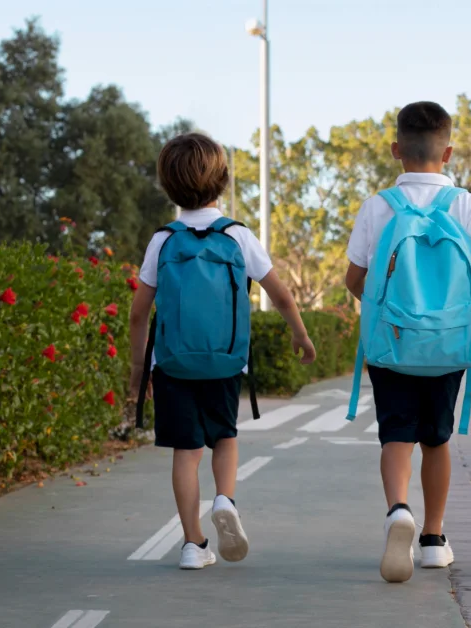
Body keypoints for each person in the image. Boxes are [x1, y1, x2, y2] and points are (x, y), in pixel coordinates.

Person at [129, 132, 316, 570]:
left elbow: (139, 314)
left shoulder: (163, 240)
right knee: (225, 438)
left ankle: (193, 545)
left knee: (185, 453)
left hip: (172, 365)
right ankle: (225, 500)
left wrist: (139, 371)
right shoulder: (237, 236)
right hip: (225, 361)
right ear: (224, 181)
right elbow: (282, 295)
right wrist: (300, 335)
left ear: (167, 185)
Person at [344, 101, 471, 583]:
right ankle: (433, 539)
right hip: (450, 343)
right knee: (437, 438)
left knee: (396, 434)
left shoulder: (378, 207)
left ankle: (398, 512)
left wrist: (385, 306)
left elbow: (355, 278)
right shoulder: (466, 205)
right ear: (448, 151)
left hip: (392, 343)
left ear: (396, 150)